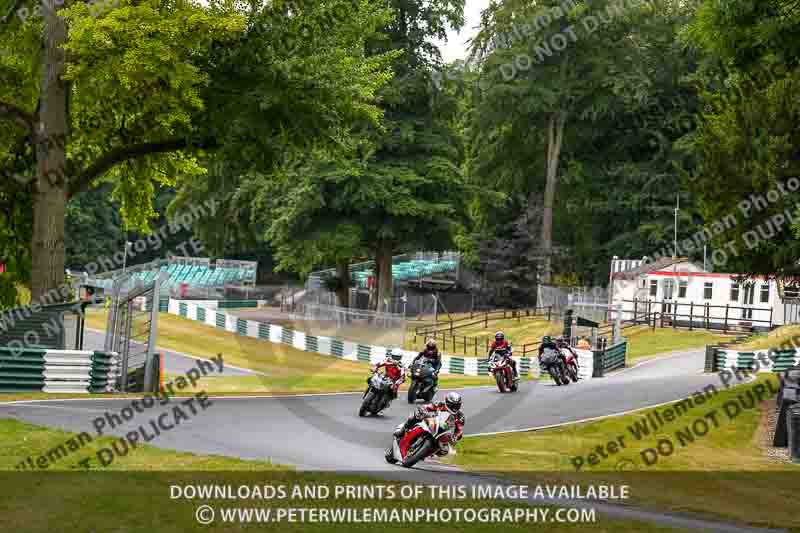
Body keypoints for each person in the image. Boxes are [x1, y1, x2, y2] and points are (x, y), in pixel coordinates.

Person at [393, 391, 465, 441]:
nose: (454, 407)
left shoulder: (460, 417)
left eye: (457, 405)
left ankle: (431, 453)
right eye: (452, 405)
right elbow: (427, 407)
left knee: (445, 449)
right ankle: (402, 430)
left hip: (443, 430)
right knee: (416, 415)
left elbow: (459, 431)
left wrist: (455, 436)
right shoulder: (440, 404)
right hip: (431, 421)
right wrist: (423, 410)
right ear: (447, 402)